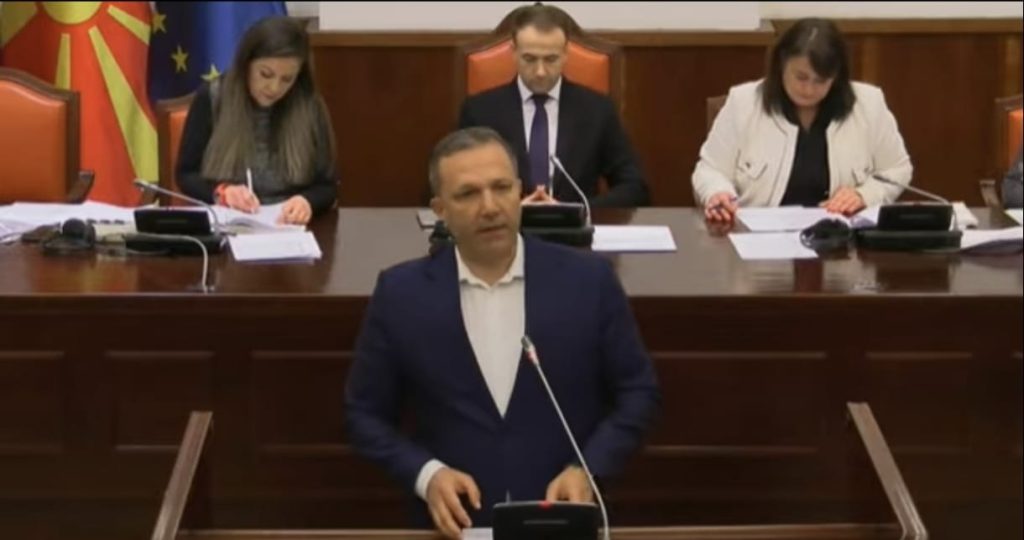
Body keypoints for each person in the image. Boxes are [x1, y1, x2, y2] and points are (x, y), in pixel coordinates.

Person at [345, 127, 660, 538]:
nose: (490, 207)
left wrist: (588, 469)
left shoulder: (588, 281)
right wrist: (427, 475)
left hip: (564, 521)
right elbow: (363, 414)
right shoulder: (401, 294)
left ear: (520, 192)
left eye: (501, 188)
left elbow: (638, 393)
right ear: (440, 210)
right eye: (468, 194)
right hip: (458, 527)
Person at [693, 18, 913, 223]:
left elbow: (897, 169)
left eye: (820, 81)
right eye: (801, 77)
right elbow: (710, 170)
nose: (808, 90)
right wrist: (718, 193)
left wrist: (863, 195)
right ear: (782, 64)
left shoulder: (868, 104)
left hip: (838, 237)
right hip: (757, 237)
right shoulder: (744, 102)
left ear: (836, 76)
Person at [458, 4, 649, 208]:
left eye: (551, 59)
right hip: (504, 223)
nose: (540, 71)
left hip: (575, 226)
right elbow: (453, 183)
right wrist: (507, 208)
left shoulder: (597, 110)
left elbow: (634, 187)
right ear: (513, 52)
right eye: (530, 59)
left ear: (565, 54)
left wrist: (576, 211)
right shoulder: (480, 111)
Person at [176, 16, 337, 225]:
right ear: (246, 64)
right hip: (227, 223)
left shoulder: (309, 104)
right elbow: (186, 174)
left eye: (287, 79)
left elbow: (327, 185)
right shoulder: (213, 97)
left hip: (288, 226)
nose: (274, 88)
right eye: (265, 74)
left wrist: (307, 201)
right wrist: (222, 191)